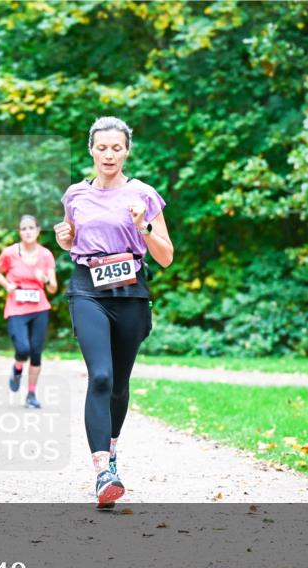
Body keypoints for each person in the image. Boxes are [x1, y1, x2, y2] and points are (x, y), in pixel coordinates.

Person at [54, 116, 174, 508]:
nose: (109, 154)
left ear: (127, 151)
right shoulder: (75, 194)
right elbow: (71, 236)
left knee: (119, 384)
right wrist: (65, 237)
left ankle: (113, 450)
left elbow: (166, 256)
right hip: (88, 287)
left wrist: (143, 227)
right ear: (91, 149)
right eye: (102, 147)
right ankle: (103, 470)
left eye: (116, 148)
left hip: (131, 290)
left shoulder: (144, 194)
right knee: (101, 376)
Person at [0, 214, 57, 409]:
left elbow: (53, 288)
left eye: (31, 228)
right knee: (22, 349)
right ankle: (17, 367)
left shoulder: (46, 255)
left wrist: (44, 279)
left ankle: (31, 394)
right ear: (19, 232)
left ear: (38, 231)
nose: (28, 232)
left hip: (39, 308)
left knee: (36, 352)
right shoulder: (9, 253)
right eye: (24, 228)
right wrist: (7, 285)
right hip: (16, 307)